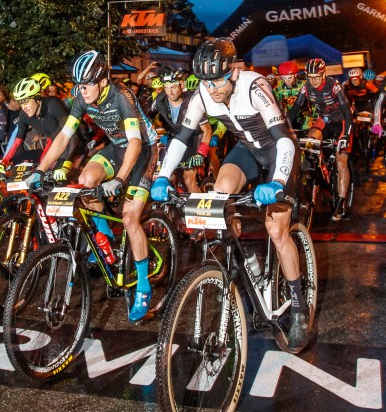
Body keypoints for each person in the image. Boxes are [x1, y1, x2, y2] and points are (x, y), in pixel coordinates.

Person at [151, 38, 308, 351]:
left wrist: (276, 182)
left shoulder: (254, 86)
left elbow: (284, 139)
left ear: (233, 73)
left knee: (276, 230)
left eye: (218, 82)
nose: (212, 90)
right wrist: (162, 176)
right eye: (206, 84)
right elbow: (181, 139)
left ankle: (299, 305)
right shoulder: (202, 94)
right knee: (220, 195)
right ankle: (247, 256)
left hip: (278, 154)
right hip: (247, 151)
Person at [25, 50, 158, 323]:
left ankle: (144, 286)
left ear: (102, 80)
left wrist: (120, 180)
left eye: (86, 85)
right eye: (79, 86)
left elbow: (135, 143)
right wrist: (40, 169)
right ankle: (106, 239)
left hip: (143, 151)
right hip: (116, 149)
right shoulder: (82, 98)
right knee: (86, 182)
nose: (81, 91)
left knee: (131, 218)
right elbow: (64, 136)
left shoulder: (122, 97)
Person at [287, 58, 353, 221]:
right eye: (310, 77)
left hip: (341, 122)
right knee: (309, 140)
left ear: (323, 74)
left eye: (317, 77)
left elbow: (347, 111)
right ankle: (316, 171)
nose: (314, 80)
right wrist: (284, 129)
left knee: (340, 162)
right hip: (324, 121)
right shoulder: (306, 88)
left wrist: (345, 135)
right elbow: (295, 109)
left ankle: (342, 203)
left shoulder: (334, 86)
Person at [0, 76, 84, 182]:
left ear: (37, 99)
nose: (23, 107)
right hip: (55, 147)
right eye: (20, 102)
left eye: (26, 101)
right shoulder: (24, 114)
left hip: (76, 145)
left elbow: (73, 137)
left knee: (62, 180)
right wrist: (4, 162)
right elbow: (17, 142)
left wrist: (67, 165)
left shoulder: (53, 105)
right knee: (41, 181)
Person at [149, 66, 212, 193]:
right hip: (175, 137)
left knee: (189, 180)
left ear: (182, 85)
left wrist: (201, 153)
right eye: (166, 88)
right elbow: (147, 118)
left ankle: (200, 211)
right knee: (168, 176)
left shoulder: (192, 101)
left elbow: (207, 130)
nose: (169, 92)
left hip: (193, 139)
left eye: (173, 87)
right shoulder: (160, 99)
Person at [274, 61, 311, 131]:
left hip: (305, 117)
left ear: (295, 75)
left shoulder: (304, 85)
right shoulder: (278, 90)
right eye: (284, 78)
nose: (287, 81)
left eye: (289, 78)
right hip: (288, 118)